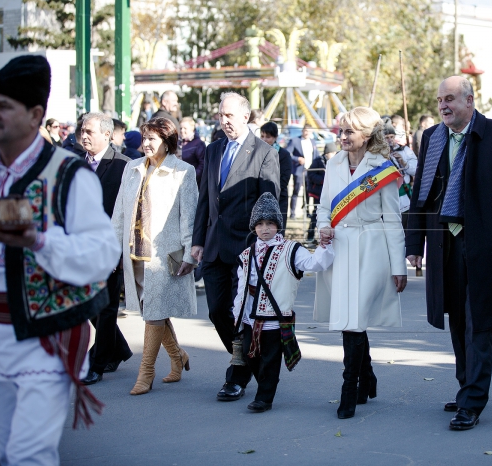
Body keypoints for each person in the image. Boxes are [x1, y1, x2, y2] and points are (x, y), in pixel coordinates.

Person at [0, 55, 120, 464]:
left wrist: (39, 240)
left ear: (34, 115)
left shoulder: (67, 174)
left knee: (27, 454)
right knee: (4, 446)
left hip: (42, 340)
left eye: (3, 106)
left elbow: (104, 254)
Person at [406, 76, 492, 431]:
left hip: (486, 244)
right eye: (439, 100)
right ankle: (466, 389)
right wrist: (414, 245)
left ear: (470, 101)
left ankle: (473, 401)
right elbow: (422, 194)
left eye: (450, 99)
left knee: (479, 321)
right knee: (457, 321)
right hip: (444, 242)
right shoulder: (432, 137)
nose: (443, 106)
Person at [313, 106, 406, 420]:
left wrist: (399, 266)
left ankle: (349, 387)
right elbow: (324, 207)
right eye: (341, 131)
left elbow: (393, 221)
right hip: (340, 246)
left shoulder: (382, 168)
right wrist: (322, 228)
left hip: (372, 247)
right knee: (349, 319)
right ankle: (366, 377)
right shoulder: (334, 163)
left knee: (353, 319)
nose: (342, 137)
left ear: (367, 136)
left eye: (349, 132)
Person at [192, 92, 280, 402]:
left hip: (247, 249)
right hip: (214, 247)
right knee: (218, 312)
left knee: (241, 313)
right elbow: (205, 198)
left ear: (245, 117)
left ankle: (237, 374)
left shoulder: (265, 153)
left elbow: (269, 203)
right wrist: (198, 241)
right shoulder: (214, 149)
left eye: (229, 115)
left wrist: (265, 246)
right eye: (220, 115)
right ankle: (253, 363)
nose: (223, 120)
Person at [112, 117, 199, 395]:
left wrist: (189, 253)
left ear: (167, 141)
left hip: (163, 255)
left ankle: (145, 372)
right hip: (134, 253)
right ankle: (178, 357)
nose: (145, 143)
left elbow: (189, 216)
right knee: (152, 310)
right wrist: (112, 249)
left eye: (151, 138)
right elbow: (120, 213)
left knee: (153, 313)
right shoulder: (132, 168)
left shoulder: (183, 171)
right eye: (144, 137)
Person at [230, 193, 334, 412]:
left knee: (270, 359)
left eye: (270, 223)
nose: (265, 228)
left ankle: (264, 397)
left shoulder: (292, 250)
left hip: (275, 318)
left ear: (278, 225)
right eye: (259, 224)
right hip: (250, 315)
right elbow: (241, 288)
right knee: (251, 355)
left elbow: (316, 263)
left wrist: (325, 245)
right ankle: (265, 386)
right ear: (253, 227)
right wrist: (238, 316)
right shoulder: (247, 254)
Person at [78, 112, 133, 386]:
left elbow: (130, 213)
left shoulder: (124, 166)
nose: (84, 135)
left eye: (89, 131)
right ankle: (119, 349)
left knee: (106, 305)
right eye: (82, 131)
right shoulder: (75, 164)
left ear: (107, 135)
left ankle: (97, 363)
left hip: (109, 247)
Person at [384, 118, 418, 225]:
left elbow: (416, 170)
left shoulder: (405, 150)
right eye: (386, 138)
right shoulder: (378, 155)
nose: (390, 140)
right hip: (389, 198)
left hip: (406, 196)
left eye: (392, 137)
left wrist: (404, 163)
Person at [260, 121, 292, 231]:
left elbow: (284, 178)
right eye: (262, 136)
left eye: (268, 137)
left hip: (278, 199)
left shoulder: (283, 155)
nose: (264, 139)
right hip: (259, 199)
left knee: (276, 231)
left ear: (275, 137)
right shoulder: (257, 154)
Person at [306, 141, 338, 246]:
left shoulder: (337, 161)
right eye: (331, 152)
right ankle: (310, 237)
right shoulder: (318, 161)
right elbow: (310, 173)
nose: (332, 155)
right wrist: (322, 180)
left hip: (332, 193)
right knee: (316, 215)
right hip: (318, 192)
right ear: (326, 153)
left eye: (334, 152)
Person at [287, 124, 319, 220]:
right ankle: (292, 214)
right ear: (302, 131)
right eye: (305, 131)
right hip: (299, 170)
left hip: (310, 171)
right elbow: (287, 153)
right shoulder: (294, 141)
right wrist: (297, 159)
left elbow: (316, 155)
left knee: (309, 192)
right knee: (296, 191)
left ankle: (307, 212)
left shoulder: (313, 142)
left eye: (309, 131)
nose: (307, 133)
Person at [180, 116, 206, 186]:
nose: (182, 130)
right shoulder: (179, 143)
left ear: (192, 128)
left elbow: (203, 164)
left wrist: (192, 177)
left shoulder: (198, 144)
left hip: (194, 183)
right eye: (181, 128)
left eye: (185, 128)